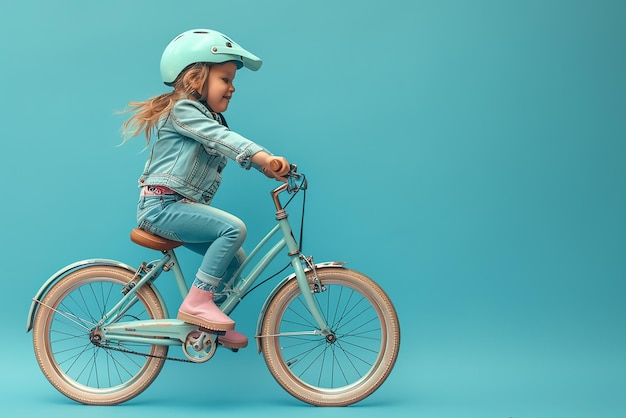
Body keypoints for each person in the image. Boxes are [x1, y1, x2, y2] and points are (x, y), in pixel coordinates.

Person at [122, 29, 289, 348]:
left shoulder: (205, 116)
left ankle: (206, 325)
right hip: (161, 208)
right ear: (197, 77)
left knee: (235, 259)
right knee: (232, 230)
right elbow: (223, 140)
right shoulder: (183, 109)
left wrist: (265, 166)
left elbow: (224, 141)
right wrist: (264, 156)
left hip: (175, 207)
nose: (232, 87)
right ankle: (197, 303)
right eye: (225, 79)